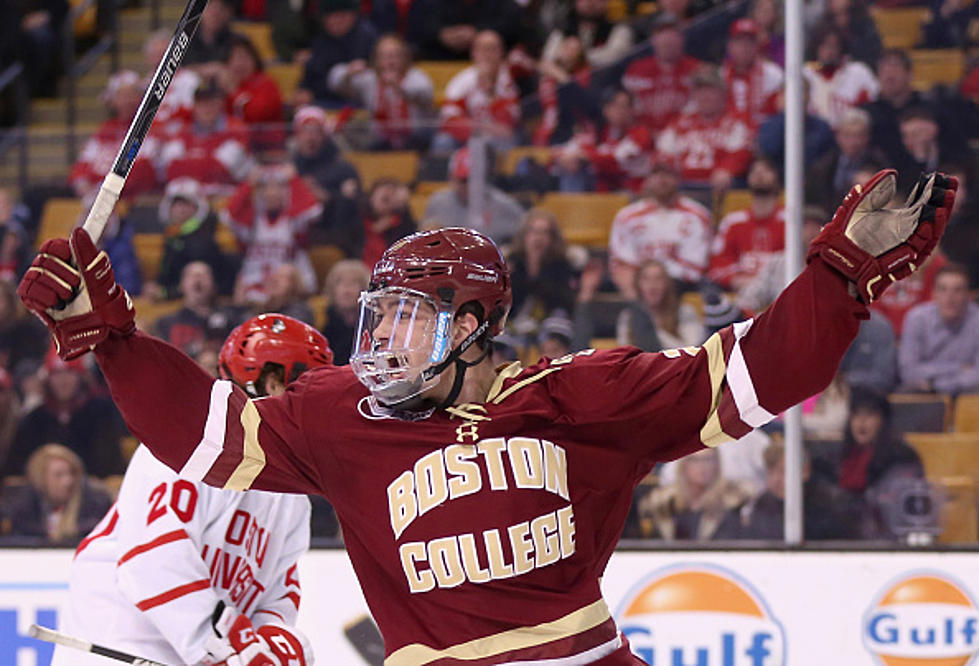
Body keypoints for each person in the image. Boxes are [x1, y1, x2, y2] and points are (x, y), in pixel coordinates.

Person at [17, 169, 957, 663]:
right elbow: (205, 434)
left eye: (404, 320)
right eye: (373, 318)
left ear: (471, 327)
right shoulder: (337, 415)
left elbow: (756, 372)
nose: (378, 342)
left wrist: (836, 276)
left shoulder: (580, 398)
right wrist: (111, 341)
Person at [51, 314, 330, 666]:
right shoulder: (189, 447)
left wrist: (274, 642)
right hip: (117, 645)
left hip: (191, 654)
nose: (316, 401)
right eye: (307, 381)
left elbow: (277, 594)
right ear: (270, 381)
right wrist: (228, 648)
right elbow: (152, 561)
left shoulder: (292, 496)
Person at [4, 350, 127, 479]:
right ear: (47, 379)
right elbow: (17, 469)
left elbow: (113, 463)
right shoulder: (35, 420)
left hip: (97, 489)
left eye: (69, 373)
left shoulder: (102, 412)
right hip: (44, 494)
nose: (63, 381)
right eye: (56, 374)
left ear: (81, 377)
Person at [608, 158, 713, 296]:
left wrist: (656, 279)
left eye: (667, 174)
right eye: (656, 174)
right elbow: (622, 262)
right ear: (648, 179)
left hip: (681, 287)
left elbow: (694, 269)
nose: (662, 179)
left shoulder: (698, 215)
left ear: (677, 178)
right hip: (638, 287)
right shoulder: (627, 217)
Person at [223, 163, 322, 305]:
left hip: (287, 292)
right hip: (253, 288)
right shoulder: (253, 221)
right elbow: (229, 216)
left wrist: (294, 180)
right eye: (266, 188)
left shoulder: (292, 220)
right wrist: (249, 184)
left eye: (279, 188)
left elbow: (313, 211)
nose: (272, 193)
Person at [837, 387, 924, 539]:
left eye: (869, 415)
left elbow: (899, 512)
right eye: (856, 415)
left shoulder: (901, 458)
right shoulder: (841, 456)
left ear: (883, 420)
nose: (861, 422)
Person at [655, 65, 755, 193]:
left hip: (720, 190)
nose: (705, 96)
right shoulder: (679, 124)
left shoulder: (735, 123)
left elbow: (742, 153)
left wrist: (727, 169)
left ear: (723, 93)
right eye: (700, 90)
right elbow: (662, 153)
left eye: (710, 90)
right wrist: (668, 173)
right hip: (681, 189)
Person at [328, 34, 435, 151]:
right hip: (379, 140)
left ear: (404, 57)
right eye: (383, 57)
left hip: (415, 138)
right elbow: (334, 82)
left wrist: (398, 88)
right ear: (376, 59)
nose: (389, 61)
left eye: (394, 56)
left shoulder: (415, 76)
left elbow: (424, 93)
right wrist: (349, 73)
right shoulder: (370, 79)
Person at [144, 177, 239, 301]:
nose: (181, 209)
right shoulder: (172, 237)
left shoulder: (204, 241)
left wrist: (165, 293)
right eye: (176, 204)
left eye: (186, 204)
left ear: (197, 207)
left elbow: (200, 286)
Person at [631, 447, 751, 540]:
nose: (703, 467)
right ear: (683, 465)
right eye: (695, 460)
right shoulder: (662, 504)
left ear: (717, 464)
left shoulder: (732, 504)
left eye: (708, 460)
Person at [4, 443, 112, 544]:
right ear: (41, 479)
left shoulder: (95, 508)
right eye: (58, 475)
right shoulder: (24, 511)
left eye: (71, 473)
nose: (68, 481)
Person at [433, 30, 521, 153]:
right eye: (482, 49)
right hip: (470, 135)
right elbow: (449, 120)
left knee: (504, 139)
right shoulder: (461, 81)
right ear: (473, 53)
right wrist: (478, 129)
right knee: (443, 142)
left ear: (501, 52)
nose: (487, 55)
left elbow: (510, 123)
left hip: (501, 138)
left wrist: (491, 92)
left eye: (492, 49)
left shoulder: (512, 77)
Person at [898, 263, 979, 394]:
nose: (950, 297)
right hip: (922, 396)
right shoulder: (916, 318)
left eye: (957, 290)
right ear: (934, 294)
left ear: (967, 295)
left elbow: (977, 377)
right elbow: (908, 372)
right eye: (943, 289)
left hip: (966, 397)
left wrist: (935, 385)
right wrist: (958, 368)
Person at [708, 158, 785, 294]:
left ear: (777, 177)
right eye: (754, 171)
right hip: (741, 291)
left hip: (780, 291)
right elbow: (717, 265)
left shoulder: (791, 221)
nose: (759, 174)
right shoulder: (732, 221)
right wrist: (736, 280)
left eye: (766, 170)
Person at [422, 147, 526, 245]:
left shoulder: (504, 206)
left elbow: (522, 240)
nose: (469, 186)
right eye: (463, 181)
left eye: (474, 180)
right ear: (451, 178)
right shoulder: (438, 203)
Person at [622, 15, 703, 134]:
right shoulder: (636, 70)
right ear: (653, 39)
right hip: (646, 139)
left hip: (686, 137)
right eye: (662, 33)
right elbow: (626, 112)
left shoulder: (697, 69)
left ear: (682, 38)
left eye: (673, 33)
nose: (667, 38)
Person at [506, 209, 577, 341]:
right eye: (534, 232)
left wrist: (537, 268)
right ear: (524, 235)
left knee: (556, 326)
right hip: (516, 322)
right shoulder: (513, 263)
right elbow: (509, 306)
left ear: (552, 239)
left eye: (545, 233)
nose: (538, 238)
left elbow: (562, 303)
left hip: (550, 322)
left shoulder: (561, 265)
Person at [296, 0, 379, 108]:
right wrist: (304, 90)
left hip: (361, 104)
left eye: (342, 16)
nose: (335, 21)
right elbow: (312, 76)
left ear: (354, 15)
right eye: (330, 16)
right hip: (325, 103)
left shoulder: (368, 37)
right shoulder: (321, 40)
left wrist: (363, 69)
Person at [804, 25, 878, 129]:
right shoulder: (804, 74)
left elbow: (872, 105)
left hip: (850, 135)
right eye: (825, 46)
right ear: (816, 48)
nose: (830, 51)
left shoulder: (858, 71)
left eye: (834, 46)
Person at [721, 19, 784, 127]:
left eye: (750, 41)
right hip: (728, 136)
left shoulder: (774, 74)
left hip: (764, 134)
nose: (745, 47)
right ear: (730, 46)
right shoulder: (720, 75)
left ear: (757, 45)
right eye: (739, 41)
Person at [320, 259, 370, 366]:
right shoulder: (322, 322)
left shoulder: (372, 325)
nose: (346, 291)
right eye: (341, 283)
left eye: (353, 284)